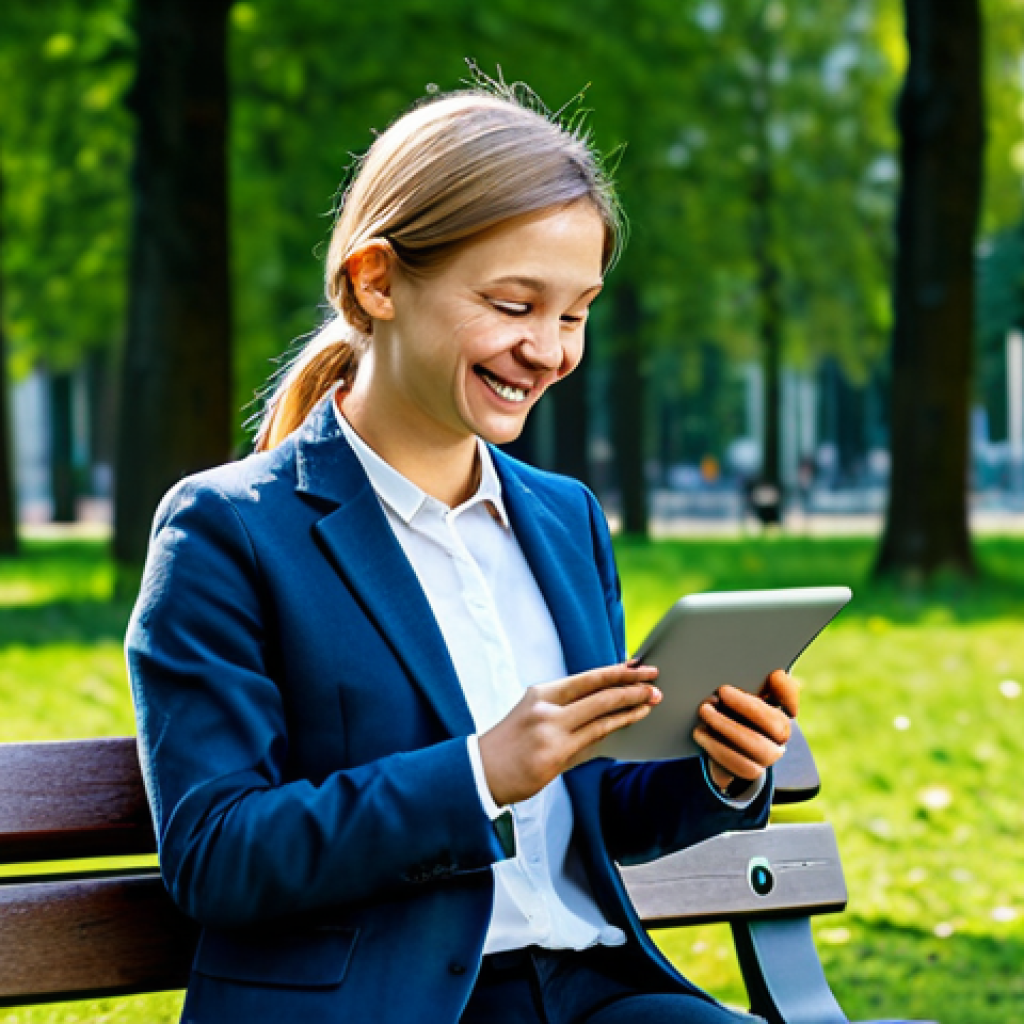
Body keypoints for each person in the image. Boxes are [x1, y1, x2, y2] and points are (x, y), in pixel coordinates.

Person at [125, 85, 798, 1024]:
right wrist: (478, 774)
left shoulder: (563, 517)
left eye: (575, 313)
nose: (551, 350)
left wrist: (720, 769)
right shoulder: (226, 530)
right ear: (376, 282)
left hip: (596, 992)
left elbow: (592, 811)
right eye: (515, 304)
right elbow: (217, 854)